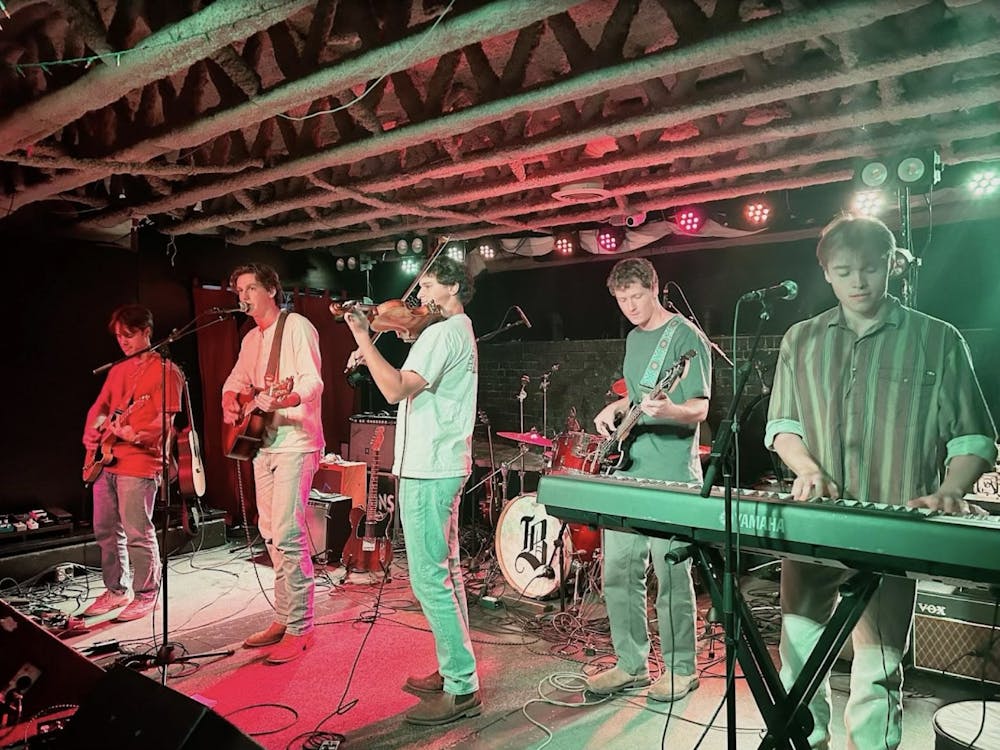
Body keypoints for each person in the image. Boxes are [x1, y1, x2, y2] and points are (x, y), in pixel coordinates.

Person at [765, 213, 998, 750]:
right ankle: (806, 741)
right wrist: (808, 469)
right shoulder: (799, 340)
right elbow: (783, 426)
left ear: (891, 265)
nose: (859, 282)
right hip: (815, 524)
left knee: (879, 661)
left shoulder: (937, 339)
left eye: (870, 269)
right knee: (799, 647)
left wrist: (951, 489)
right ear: (825, 272)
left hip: (895, 525)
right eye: (844, 271)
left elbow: (973, 437)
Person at [341, 256, 481, 726]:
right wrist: (388, 341)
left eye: (429, 285)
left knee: (427, 579)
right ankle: (453, 668)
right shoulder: (452, 330)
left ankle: (462, 687)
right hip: (441, 464)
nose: (418, 295)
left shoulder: (442, 332)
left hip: (429, 467)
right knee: (449, 573)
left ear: (454, 286)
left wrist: (364, 336)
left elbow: (397, 388)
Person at [585, 257, 711, 702]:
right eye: (622, 300)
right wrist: (615, 409)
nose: (631, 306)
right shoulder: (635, 339)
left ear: (654, 288)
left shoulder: (685, 337)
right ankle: (631, 664)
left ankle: (681, 669)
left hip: (671, 475)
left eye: (637, 296)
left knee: (671, 577)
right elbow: (636, 396)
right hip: (628, 470)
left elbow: (699, 407)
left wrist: (672, 411)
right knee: (618, 573)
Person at [222, 263, 325, 665]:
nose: (242, 296)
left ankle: (301, 627)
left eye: (248, 288)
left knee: (287, 531)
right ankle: (283, 617)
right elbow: (235, 381)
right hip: (261, 443)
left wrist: (285, 399)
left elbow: (313, 383)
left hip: (296, 442)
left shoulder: (296, 325)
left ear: (270, 290)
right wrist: (231, 399)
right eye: (238, 291)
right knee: (269, 533)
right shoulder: (250, 339)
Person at [81, 304, 183, 622]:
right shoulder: (118, 371)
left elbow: (165, 424)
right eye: (119, 337)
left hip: (141, 461)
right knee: (105, 529)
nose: (123, 342)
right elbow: (100, 408)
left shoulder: (167, 372)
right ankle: (116, 589)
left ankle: (147, 592)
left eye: (129, 335)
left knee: (137, 530)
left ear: (146, 332)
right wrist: (92, 434)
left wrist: (135, 433)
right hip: (107, 459)